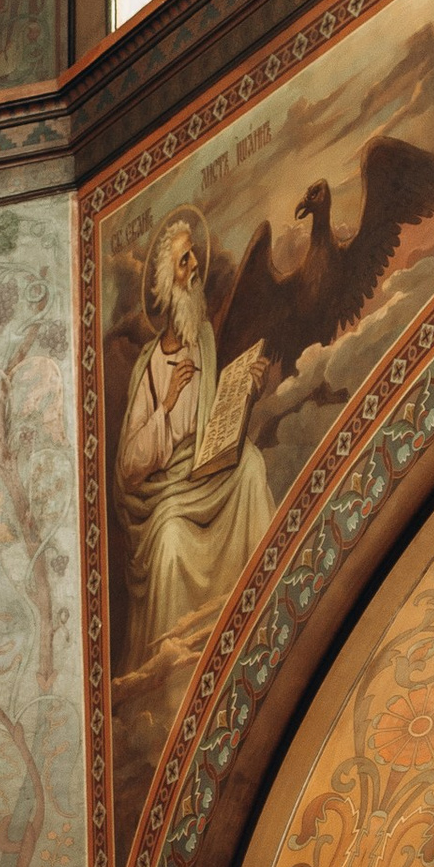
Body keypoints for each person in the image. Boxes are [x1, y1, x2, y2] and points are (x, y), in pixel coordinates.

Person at [114, 208, 272, 670]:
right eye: (184, 263)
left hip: (203, 468)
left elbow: (212, 418)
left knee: (252, 467)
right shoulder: (148, 365)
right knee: (169, 540)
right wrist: (167, 402)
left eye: (194, 261)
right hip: (165, 491)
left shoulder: (203, 338)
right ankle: (172, 672)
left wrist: (245, 388)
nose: (194, 269)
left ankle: (263, 600)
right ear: (166, 280)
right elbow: (129, 463)